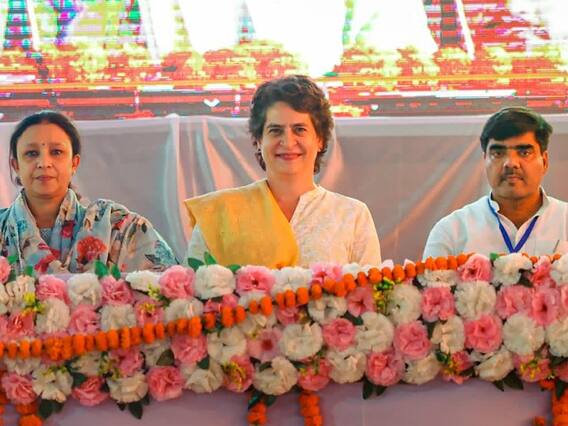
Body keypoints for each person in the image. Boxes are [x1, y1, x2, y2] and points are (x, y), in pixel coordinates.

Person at [185, 75, 381, 267]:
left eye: (299, 129)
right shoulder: (219, 213)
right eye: (275, 130)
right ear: (259, 141)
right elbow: (193, 286)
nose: (287, 142)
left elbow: (371, 289)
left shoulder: (352, 215)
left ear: (320, 140)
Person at [0, 110, 177, 273]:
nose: (44, 163)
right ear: (16, 165)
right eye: (32, 153)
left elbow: (167, 286)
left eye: (56, 152)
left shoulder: (119, 228)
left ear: (74, 163)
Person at [423, 106, 568, 258]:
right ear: (484, 160)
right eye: (498, 153)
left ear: (544, 161)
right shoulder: (451, 231)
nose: (511, 163)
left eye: (524, 152)